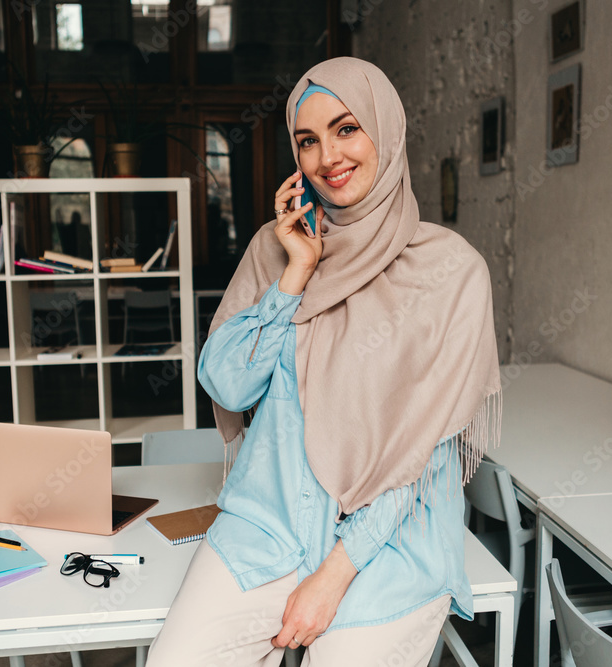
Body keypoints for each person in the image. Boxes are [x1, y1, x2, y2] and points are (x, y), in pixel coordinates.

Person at [145, 56, 501, 667]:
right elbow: (228, 386)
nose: (327, 157)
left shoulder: (453, 271)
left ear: (385, 132)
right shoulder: (275, 247)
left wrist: (335, 574)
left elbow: (420, 456)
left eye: (346, 129)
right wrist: (296, 276)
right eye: (307, 141)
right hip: (271, 523)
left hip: (392, 543)